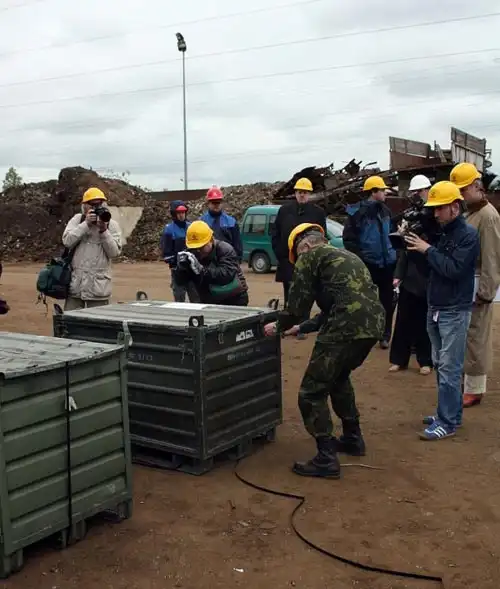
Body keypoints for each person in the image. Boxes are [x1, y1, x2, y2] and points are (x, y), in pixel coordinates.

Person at [264, 223, 384, 479]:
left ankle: (326, 458)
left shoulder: (311, 257)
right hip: (372, 327)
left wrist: (279, 326)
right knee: (338, 378)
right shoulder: (346, 256)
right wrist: (300, 328)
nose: (298, 262)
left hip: (343, 330)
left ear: (305, 246)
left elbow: (297, 307)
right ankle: (353, 438)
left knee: (311, 392)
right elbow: (337, 307)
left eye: (298, 255)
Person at [404, 181, 479, 441]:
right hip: (436, 306)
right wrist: (416, 248)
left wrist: (428, 250)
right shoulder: (442, 233)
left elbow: (454, 269)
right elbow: (431, 269)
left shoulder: (468, 235)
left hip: (454, 310)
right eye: (433, 209)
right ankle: (448, 414)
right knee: (441, 364)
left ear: (455, 207)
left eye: (440, 208)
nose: (435, 214)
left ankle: (447, 422)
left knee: (449, 367)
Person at [450, 162, 500, 407]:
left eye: (463, 189)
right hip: (465, 283)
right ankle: (467, 383)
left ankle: (475, 388)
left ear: (477, 186)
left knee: (477, 337)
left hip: (479, 283)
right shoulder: (469, 212)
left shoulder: (488, 216)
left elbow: (492, 256)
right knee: (465, 336)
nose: (460, 195)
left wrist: (487, 292)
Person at [343, 175, 397, 349]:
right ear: (373, 192)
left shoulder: (386, 211)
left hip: (387, 265)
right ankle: (365, 333)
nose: (385, 193)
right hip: (369, 266)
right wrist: (362, 259)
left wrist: (394, 256)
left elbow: (393, 235)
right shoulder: (357, 214)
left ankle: (384, 335)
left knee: (388, 302)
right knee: (365, 302)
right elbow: (349, 240)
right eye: (382, 190)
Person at [389, 174, 434, 375]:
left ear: (428, 190)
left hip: (428, 273)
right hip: (410, 275)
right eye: (414, 192)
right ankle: (399, 360)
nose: (417, 195)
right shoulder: (410, 216)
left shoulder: (435, 216)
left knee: (425, 320)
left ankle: (426, 361)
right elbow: (403, 250)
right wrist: (398, 274)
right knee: (403, 320)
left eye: (420, 191)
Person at [62, 186, 122, 310]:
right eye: (92, 205)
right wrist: (85, 225)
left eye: (99, 204)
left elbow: (114, 253)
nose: (96, 208)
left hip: (98, 289)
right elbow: (67, 241)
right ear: (84, 206)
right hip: (76, 286)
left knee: (98, 320)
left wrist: (104, 231)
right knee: (71, 319)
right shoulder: (78, 220)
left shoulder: (112, 225)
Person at [271, 177, 326, 308]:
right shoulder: (284, 210)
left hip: (309, 263)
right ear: (295, 193)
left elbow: (322, 237)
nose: (302, 195)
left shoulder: (318, 213)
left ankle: (303, 320)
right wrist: (281, 254)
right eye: (299, 192)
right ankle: (288, 318)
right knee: (289, 297)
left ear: (309, 194)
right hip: (288, 262)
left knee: (306, 297)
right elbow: (275, 233)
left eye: (305, 192)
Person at [173, 220, 248, 306]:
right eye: (194, 248)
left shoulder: (225, 249)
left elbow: (226, 275)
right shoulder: (191, 254)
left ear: (211, 240)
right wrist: (181, 269)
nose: (198, 251)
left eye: (201, 247)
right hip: (209, 299)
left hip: (234, 298)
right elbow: (181, 282)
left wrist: (201, 270)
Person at [160, 200, 199, 303]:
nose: (182, 215)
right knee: (179, 300)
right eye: (179, 213)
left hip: (192, 270)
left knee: (196, 299)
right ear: (174, 214)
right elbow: (166, 254)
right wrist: (177, 260)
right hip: (178, 272)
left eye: (183, 212)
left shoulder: (191, 227)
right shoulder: (169, 230)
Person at [200, 186, 243, 260]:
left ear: (222, 203)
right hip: (207, 261)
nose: (216, 205)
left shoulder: (231, 222)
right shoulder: (201, 222)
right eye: (213, 202)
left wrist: (237, 261)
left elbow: (237, 246)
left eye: (218, 202)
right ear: (208, 203)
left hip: (227, 260)